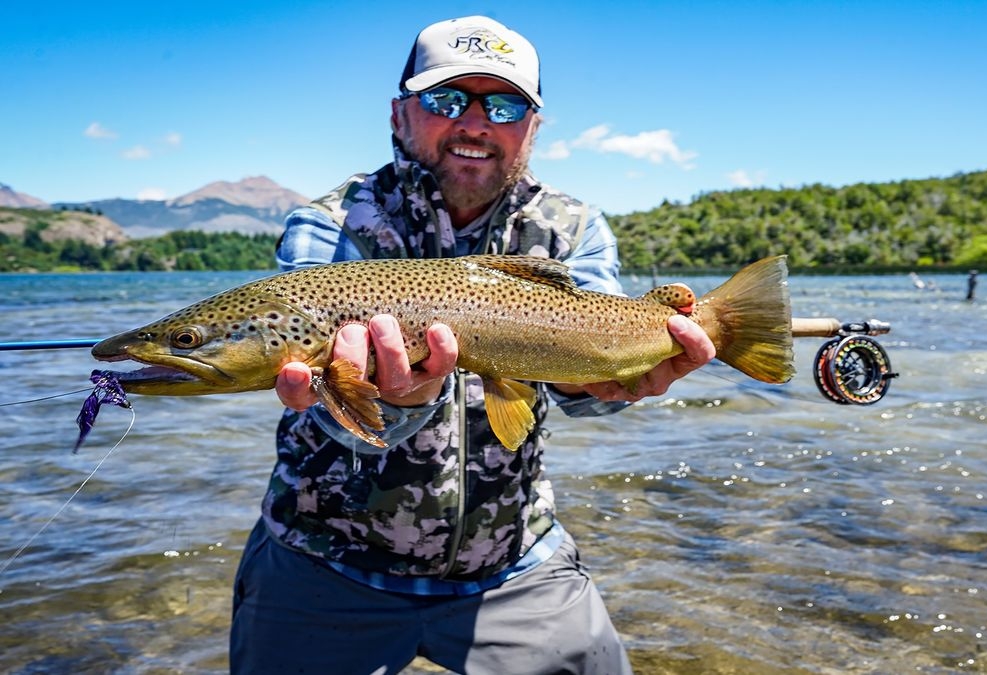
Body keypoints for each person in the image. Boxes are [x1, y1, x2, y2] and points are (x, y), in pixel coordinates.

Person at [229, 15, 716, 675]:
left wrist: (609, 381)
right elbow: (320, 409)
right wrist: (399, 401)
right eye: (447, 99)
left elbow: (591, 396)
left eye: (506, 104)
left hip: (515, 565)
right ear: (400, 113)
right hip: (324, 563)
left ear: (534, 126)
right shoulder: (334, 224)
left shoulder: (574, 229)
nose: (476, 122)